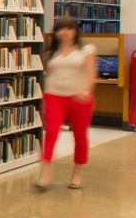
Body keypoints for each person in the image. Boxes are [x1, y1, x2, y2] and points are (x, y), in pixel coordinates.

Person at [35, 16, 95, 191]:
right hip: (54, 96)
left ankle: (77, 174)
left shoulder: (87, 50)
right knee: (51, 132)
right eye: (60, 29)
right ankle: (45, 174)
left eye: (68, 28)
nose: (64, 32)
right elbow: (49, 73)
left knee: (80, 136)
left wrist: (86, 91)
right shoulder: (51, 52)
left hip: (79, 97)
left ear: (75, 30)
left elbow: (91, 73)